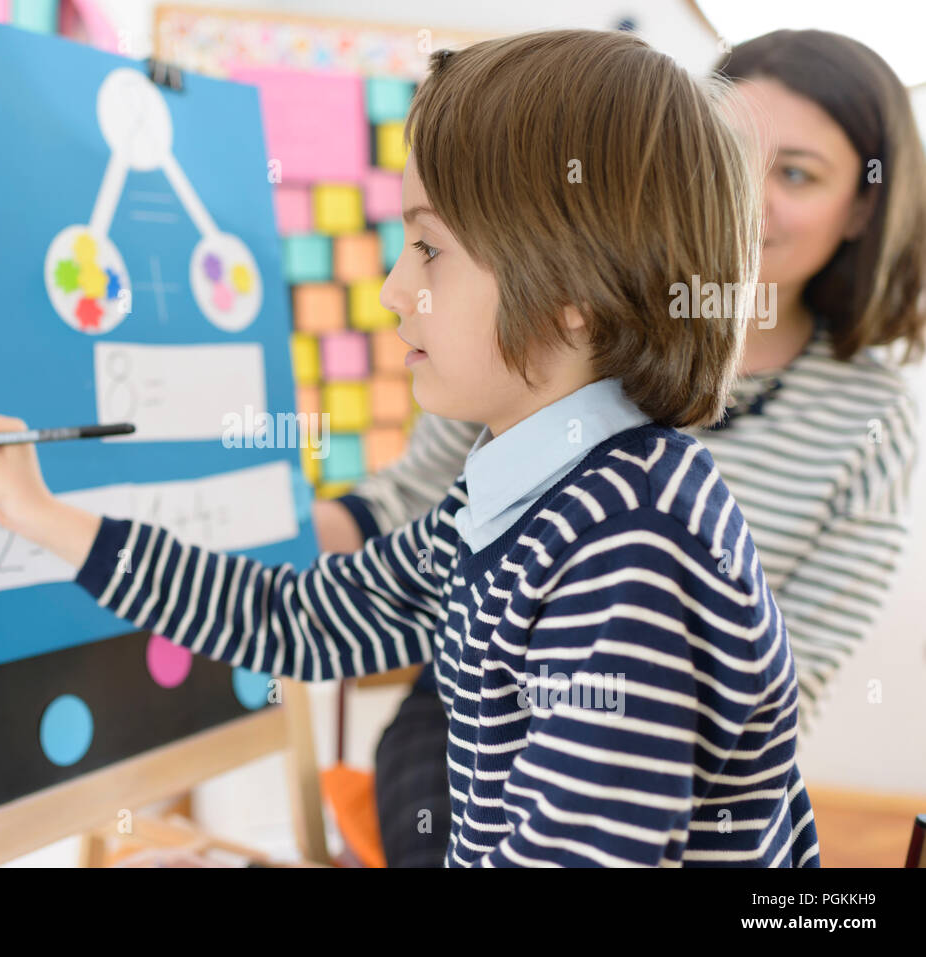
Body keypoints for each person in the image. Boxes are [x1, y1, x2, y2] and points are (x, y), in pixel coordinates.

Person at [0, 30, 820, 866]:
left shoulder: (629, 554)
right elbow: (293, 618)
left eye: (429, 249)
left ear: (573, 290)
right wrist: (43, 516)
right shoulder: (518, 499)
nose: (394, 290)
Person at [319, 28, 926, 867]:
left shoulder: (871, 417)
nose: (746, 193)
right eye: (725, 150)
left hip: (668, 738)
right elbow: (414, 504)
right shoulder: (544, 331)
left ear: (862, 206)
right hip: (475, 700)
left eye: (795, 173)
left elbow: (798, 668)